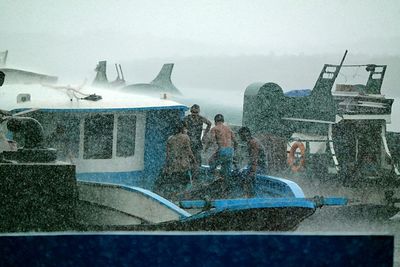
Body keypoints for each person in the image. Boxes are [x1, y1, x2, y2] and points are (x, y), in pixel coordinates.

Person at [154, 121, 197, 200]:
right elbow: (188, 150)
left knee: (174, 182)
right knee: (186, 182)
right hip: (183, 164)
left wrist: (167, 165)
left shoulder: (170, 138)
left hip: (173, 165)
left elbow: (168, 154)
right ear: (183, 128)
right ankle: (183, 196)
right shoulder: (185, 137)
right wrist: (194, 160)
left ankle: (173, 196)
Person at [204, 114, 238, 178]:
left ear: (215, 121)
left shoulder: (214, 129)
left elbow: (211, 140)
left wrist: (206, 148)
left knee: (211, 162)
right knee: (226, 171)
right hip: (230, 151)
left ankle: (210, 179)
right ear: (223, 121)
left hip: (222, 150)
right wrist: (234, 151)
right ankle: (224, 182)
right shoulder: (229, 129)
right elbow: (236, 142)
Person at [238, 126, 268, 197]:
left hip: (261, 167)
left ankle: (249, 195)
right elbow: (251, 159)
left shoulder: (253, 142)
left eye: (240, 135)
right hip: (256, 165)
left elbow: (255, 158)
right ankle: (247, 194)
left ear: (245, 134)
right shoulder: (250, 141)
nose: (240, 138)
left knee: (246, 176)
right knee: (239, 172)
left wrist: (252, 172)